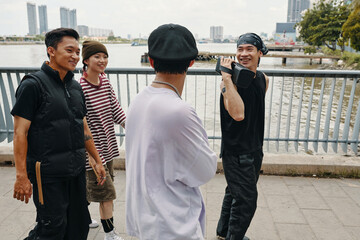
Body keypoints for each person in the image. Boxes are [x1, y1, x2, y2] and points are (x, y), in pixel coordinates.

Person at [11, 28, 106, 240]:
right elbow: (20, 133)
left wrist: (97, 159)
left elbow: (83, 128)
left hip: (75, 170)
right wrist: (21, 176)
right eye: (69, 50)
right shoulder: (32, 85)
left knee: (79, 227)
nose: (75, 56)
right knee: (51, 228)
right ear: (51, 51)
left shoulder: (75, 87)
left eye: (77, 52)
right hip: (47, 174)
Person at [125, 23, 218, 240]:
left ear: (151, 61)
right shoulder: (180, 111)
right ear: (192, 62)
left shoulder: (138, 100)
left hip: (145, 216)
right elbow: (205, 170)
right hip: (173, 224)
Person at [216, 33, 269, 240]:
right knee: (246, 200)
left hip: (255, 149)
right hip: (236, 152)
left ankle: (223, 232)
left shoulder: (263, 79)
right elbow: (238, 114)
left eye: (249, 49)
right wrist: (227, 78)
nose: (243, 54)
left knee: (234, 192)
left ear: (260, 53)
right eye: (240, 49)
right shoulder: (228, 84)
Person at [79, 40, 126, 240]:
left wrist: (133, 127)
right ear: (86, 60)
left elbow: (116, 110)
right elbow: (80, 126)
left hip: (107, 148)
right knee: (107, 194)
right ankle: (110, 234)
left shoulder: (105, 81)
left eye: (105, 56)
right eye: (97, 56)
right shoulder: (79, 87)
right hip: (92, 153)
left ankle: (82, 217)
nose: (102, 60)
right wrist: (91, 156)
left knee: (96, 190)